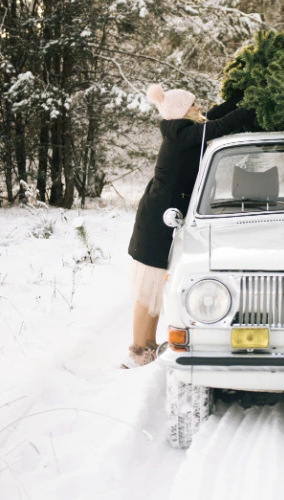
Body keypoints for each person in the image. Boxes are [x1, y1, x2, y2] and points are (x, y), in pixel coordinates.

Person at [121, 84, 256, 369]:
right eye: (193, 105)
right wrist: (255, 104)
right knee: (148, 286)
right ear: (182, 112)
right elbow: (222, 125)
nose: (199, 108)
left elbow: (215, 115)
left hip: (166, 210)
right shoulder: (182, 135)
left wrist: (239, 96)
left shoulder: (185, 130)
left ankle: (148, 346)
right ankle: (136, 352)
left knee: (157, 282)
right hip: (159, 216)